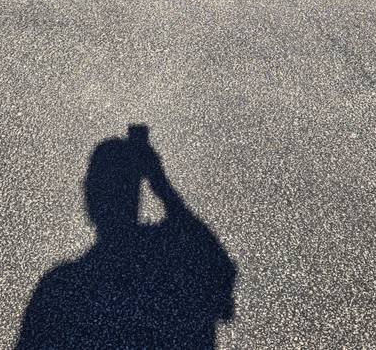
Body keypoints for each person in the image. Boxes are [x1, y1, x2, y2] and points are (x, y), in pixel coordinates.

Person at [16, 126, 236, 349]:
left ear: (88, 195)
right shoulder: (176, 269)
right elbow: (215, 261)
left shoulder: (60, 290)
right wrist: (160, 182)